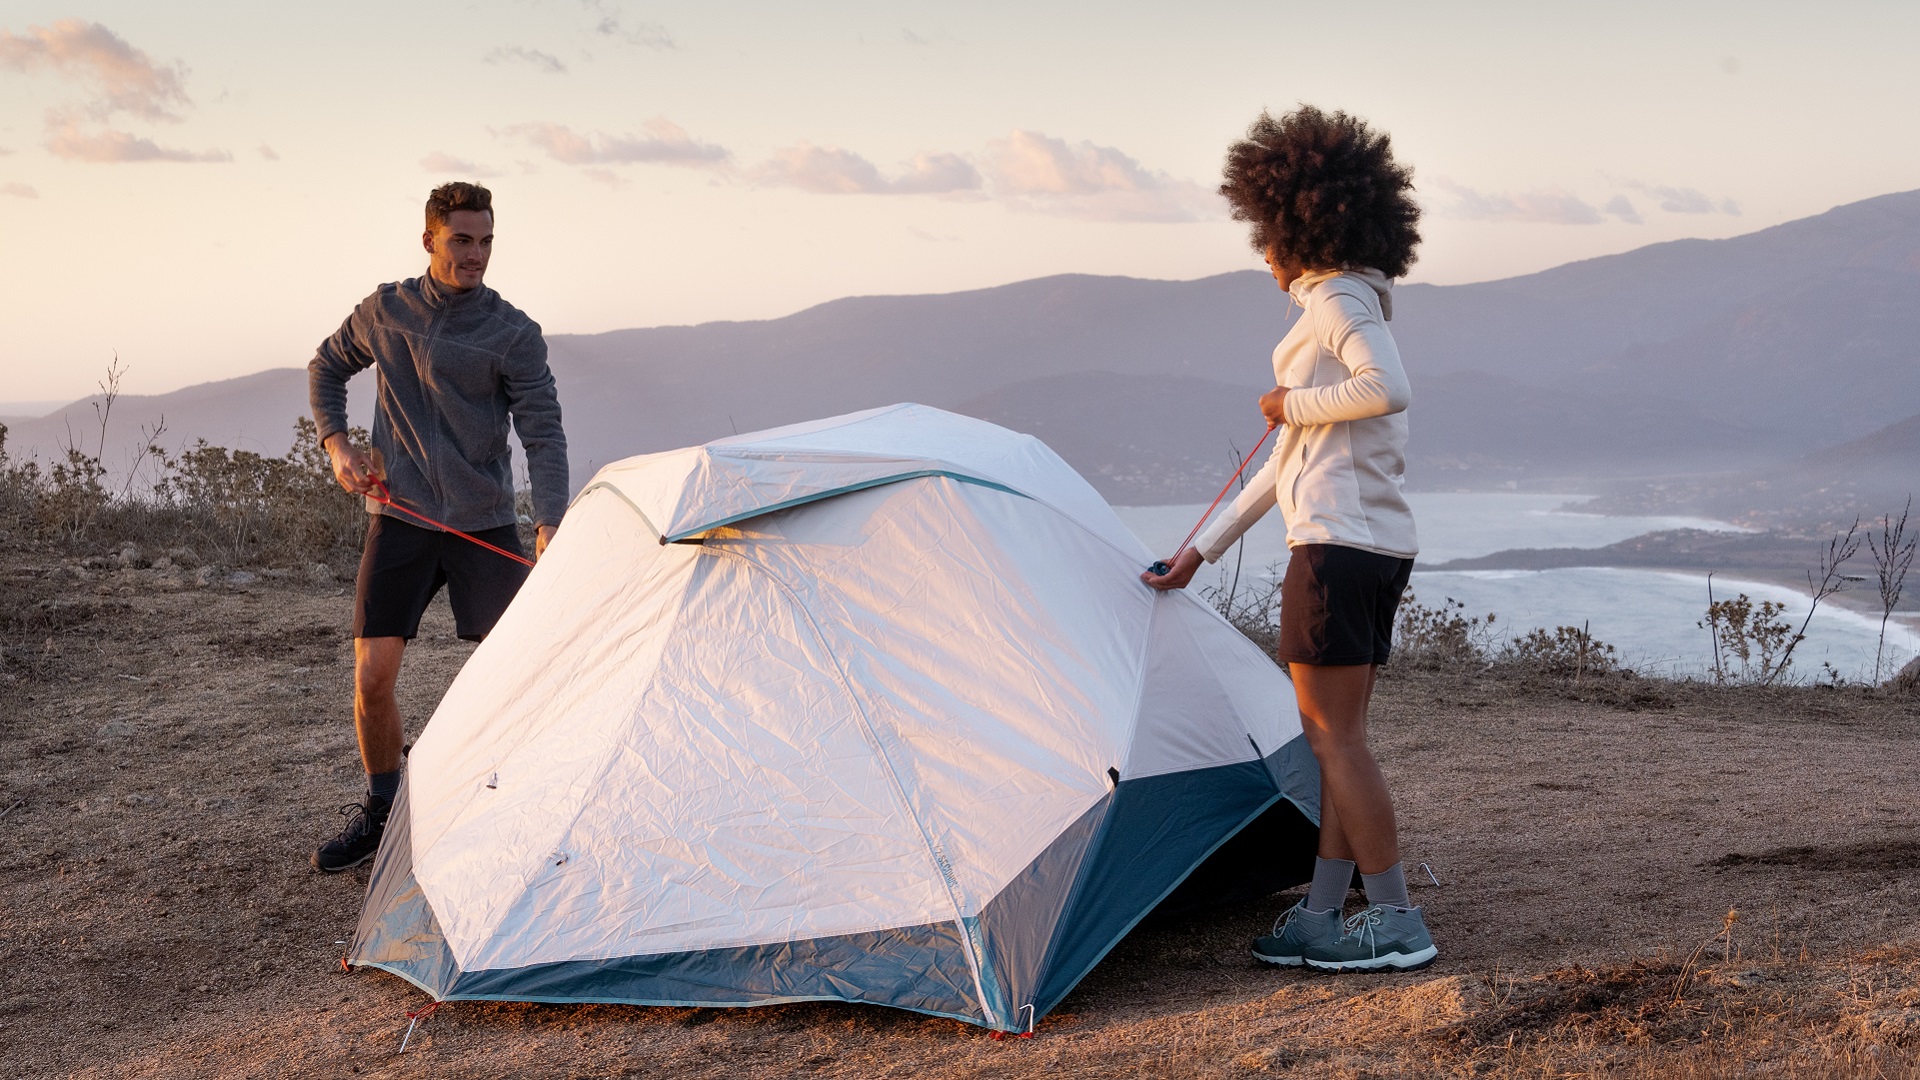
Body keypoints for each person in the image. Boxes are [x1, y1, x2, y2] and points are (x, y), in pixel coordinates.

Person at [1141, 106, 1433, 972]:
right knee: (1335, 739)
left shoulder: (1336, 297)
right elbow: (1288, 460)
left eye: (1265, 234)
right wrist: (1202, 550)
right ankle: (1317, 914)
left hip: (1337, 549)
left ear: (1297, 227)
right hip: (1369, 547)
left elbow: (1388, 388)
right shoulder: (1344, 300)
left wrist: (1286, 403)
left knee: (1333, 740)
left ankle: (1395, 920)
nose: (1262, 253)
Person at [306, 181, 569, 873]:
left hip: (484, 522)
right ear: (429, 240)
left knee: (521, 678)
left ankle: (513, 811)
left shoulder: (514, 332)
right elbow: (327, 366)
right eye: (461, 240)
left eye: (485, 241)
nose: (475, 254)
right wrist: (337, 445)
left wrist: (549, 522)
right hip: (402, 516)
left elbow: (543, 433)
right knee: (372, 677)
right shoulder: (386, 311)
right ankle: (385, 809)